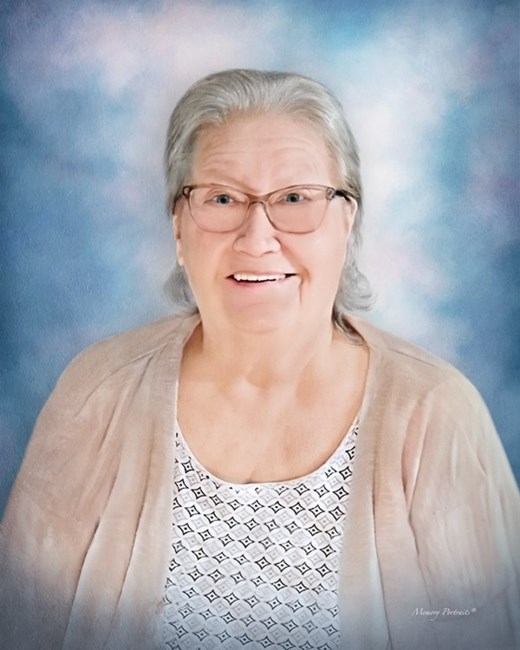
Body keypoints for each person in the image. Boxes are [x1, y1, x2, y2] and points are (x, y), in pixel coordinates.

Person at [0, 69, 518, 650]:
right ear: (179, 227)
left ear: (347, 222)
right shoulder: (97, 393)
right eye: (222, 198)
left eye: (295, 199)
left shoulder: (437, 414)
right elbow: (21, 629)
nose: (256, 238)